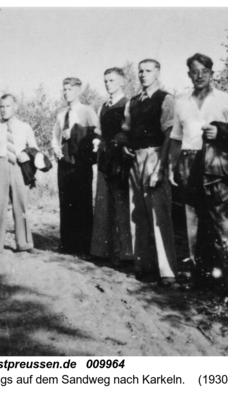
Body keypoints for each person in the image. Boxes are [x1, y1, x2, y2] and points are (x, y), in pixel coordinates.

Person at [169, 53, 228, 288]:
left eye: (204, 71)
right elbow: (176, 138)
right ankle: (202, 279)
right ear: (189, 75)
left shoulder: (226, 101)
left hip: (216, 167)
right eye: (194, 71)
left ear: (211, 74)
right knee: (196, 226)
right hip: (188, 165)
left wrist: (222, 133)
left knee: (222, 224)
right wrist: (170, 167)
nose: (199, 76)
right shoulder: (181, 102)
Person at [120, 59, 178, 286]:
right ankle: (144, 266)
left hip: (156, 156)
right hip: (136, 158)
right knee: (138, 213)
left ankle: (167, 272)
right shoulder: (133, 102)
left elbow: (169, 135)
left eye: (148, 71)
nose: (143, 75)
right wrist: (124, 142)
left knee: (159, 213)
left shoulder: (166, 98)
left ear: (158, 73)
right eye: (140, 71)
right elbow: (126, 129)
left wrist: (161, 167)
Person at [0, 94, 39, 255]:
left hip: (19, 168)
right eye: (1, 106)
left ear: (15, 107)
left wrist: (27, 155)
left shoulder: (25, 127)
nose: (4, 110)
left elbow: (35, 149)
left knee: (21, 205)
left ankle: (25, 243)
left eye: (7, 106)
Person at [52, 77, 100, 256]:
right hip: (64, 162)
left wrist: (75, 134)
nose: (66, 93)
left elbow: (96, 133)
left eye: (70, 90)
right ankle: (67, 243)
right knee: (65, 201)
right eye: (64, 89)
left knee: (82, 201)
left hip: (80, 163)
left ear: (79, 91)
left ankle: (84, 245)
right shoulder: (61, 113)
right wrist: (57, 150)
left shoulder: (87, 111)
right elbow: (54, 136)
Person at [90, 68, 133, 264]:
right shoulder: (103, 106)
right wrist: (98, 141)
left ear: (122, 82)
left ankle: (125, 254)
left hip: (121, 159)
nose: (108, 84)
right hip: (104, 158)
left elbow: (129, 132)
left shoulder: (128, 104)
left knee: (122, 205)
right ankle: (103, 251)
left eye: (112, 80)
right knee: (103, 203)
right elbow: (99, 131)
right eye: (106, 80)